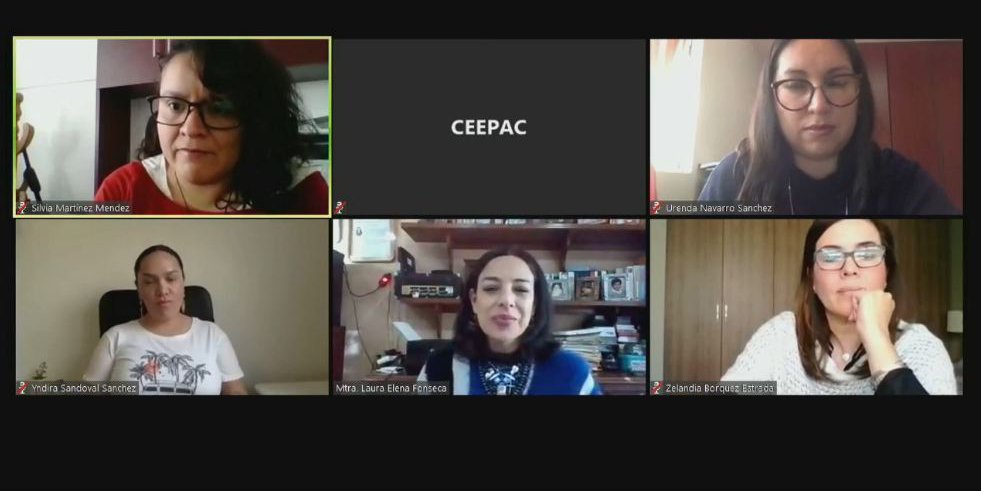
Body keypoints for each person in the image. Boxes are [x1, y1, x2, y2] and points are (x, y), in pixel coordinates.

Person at [698, 39, 956, 215]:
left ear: (859, 94)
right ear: (771, 100)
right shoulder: (733, 178)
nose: (819, 106)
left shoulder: (902, 182)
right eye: (795, 85)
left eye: (837, 82)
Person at [722, 219, 957, 394]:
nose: (849, 269)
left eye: (867, 254)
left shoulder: (921, 347)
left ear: (887, 273)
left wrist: (878, 341)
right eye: (831, 257)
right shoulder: (780, 336)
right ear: (812, 279)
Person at [95, 40, 328, 214]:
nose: (190, 129)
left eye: (218, 109)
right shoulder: (122, 190)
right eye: (175, 105)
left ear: (256, 120)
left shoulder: (306, 194)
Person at [418, 247, 602, 395]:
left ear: (535, 304)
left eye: (521, 290)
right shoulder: (438, 367)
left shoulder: (572, 372)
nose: (506, 300)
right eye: (491, 288)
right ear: (474, 301)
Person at [83, 245, 248, 395]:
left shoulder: (213, 335)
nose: (162, 290)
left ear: (183, 283)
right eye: (149, 282)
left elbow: (236, 391)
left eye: (171, 279)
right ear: (139, 289)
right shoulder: (115, 337)